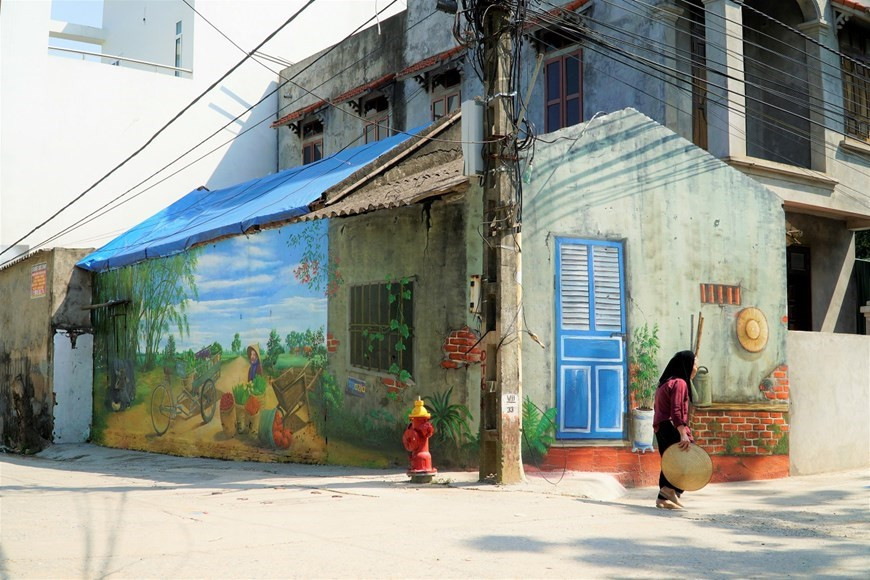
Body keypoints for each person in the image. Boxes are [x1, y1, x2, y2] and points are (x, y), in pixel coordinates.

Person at [653, 350, 698, 509]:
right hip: (672, 426)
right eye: (695, 364)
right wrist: (683, 433)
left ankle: (663, 498)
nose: (696, 368)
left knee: (670, 461)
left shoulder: (665, 383)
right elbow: (677, 410)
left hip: (662, 427)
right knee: (686, 459)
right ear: (687, 365)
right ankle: (668, 490)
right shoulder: (679, 383)